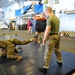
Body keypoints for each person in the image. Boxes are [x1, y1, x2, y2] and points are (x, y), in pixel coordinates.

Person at [38, 6, 62, 73]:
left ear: (48, 11)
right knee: (57, 50)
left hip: (52, 37)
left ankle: (45, 68)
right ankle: (59, 61)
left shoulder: (50, 19)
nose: (45, 14)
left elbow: (47, 30)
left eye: (45, 13)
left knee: (47, 52)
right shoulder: (57, 18)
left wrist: (44, 39)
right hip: (58, 36)